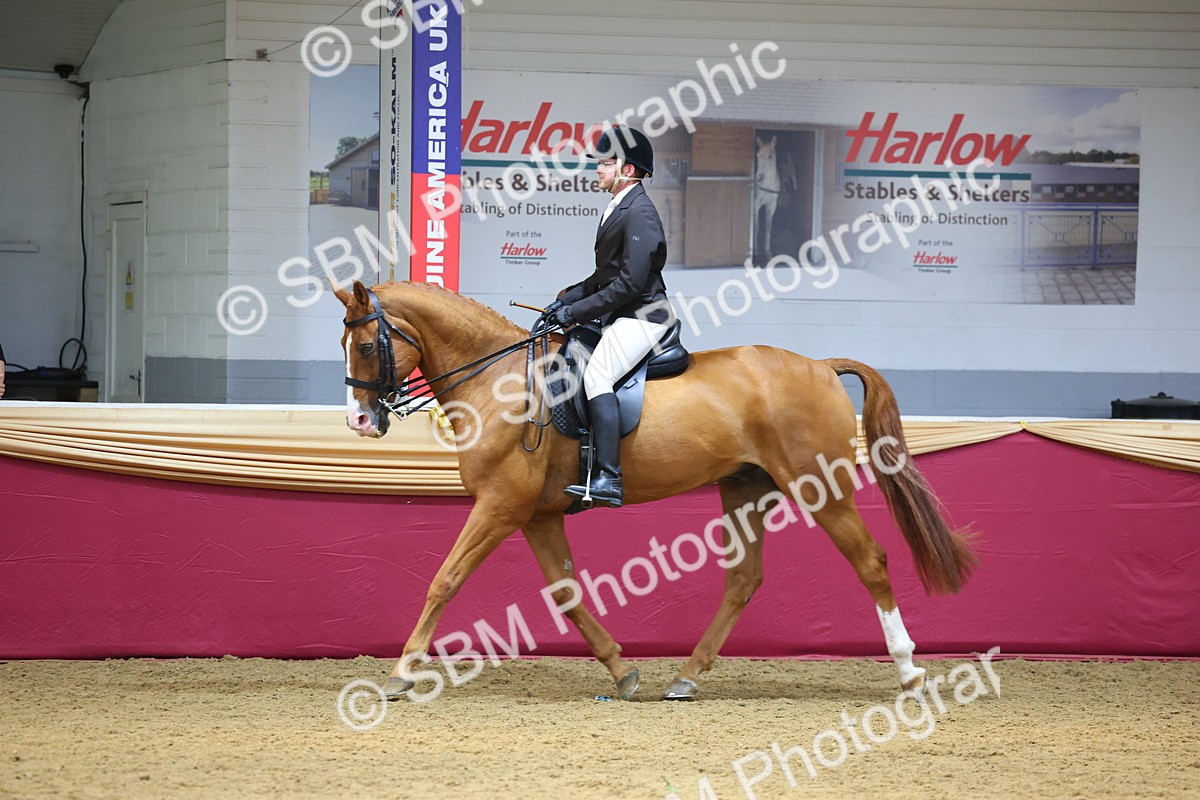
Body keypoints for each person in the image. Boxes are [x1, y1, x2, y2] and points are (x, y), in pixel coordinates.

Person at [547, 125, 676, 508]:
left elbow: (630, 284)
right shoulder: (617, 207)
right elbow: (605, 277)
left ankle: (608, 477)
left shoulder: (640, 212)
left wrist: (577, 311)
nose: (598, 169)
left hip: (644, 317)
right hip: (622, 315)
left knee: (597, 374)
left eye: (606, 163)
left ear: (629, 170)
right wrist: (567, 298)